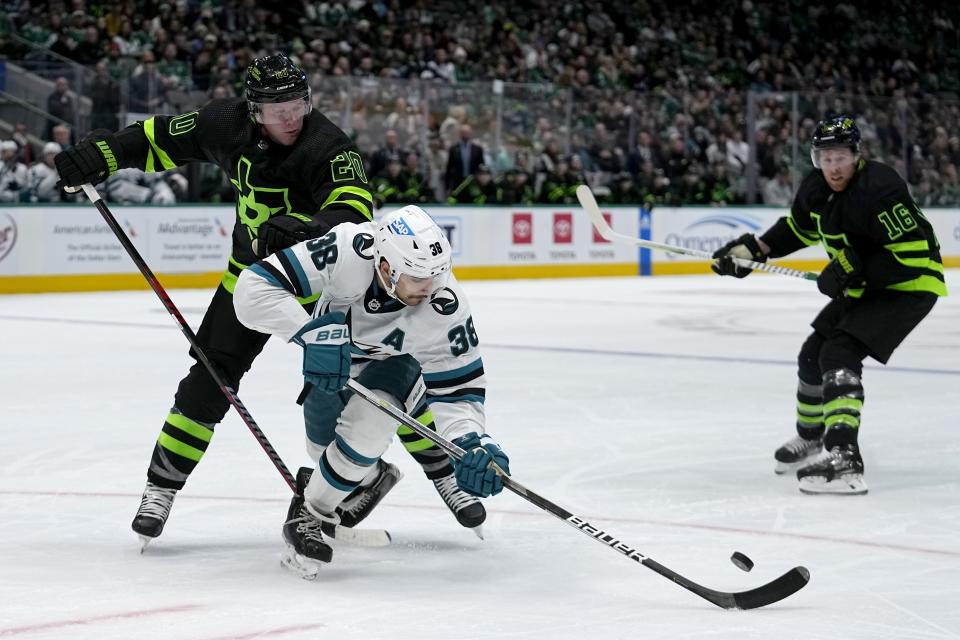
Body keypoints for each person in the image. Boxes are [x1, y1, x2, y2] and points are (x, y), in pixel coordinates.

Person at [54, 54, 470, 546]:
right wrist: (100, 154)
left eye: (298, 104)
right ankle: (159, 488)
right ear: (253, 110)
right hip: (251, 280)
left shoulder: (329, 146)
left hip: (329, 289)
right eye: (278, 109)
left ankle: (445, 475)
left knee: (384, 378)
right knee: (209, 379)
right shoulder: (223, 123)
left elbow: (354, 211)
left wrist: (304, 229)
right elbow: (160, 137)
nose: (291, 117)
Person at [233, 205, 510, 576]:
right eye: (417, 278)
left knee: (367, 428)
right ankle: (373, 478)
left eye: (437, 275)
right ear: (385, 267)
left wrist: (472, 442)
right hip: (335, 360)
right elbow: (253, 287)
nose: (431, 289)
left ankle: (309, 514)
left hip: (396, 365)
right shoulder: (348, 248)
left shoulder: (446, 307)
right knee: (321, 452)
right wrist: (311, 334)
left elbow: (459, 389)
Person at [711, 116, 947, 495]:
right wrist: (753, 250)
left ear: (856, 155)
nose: (833, 167)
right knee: (812, 354)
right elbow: (797, 228)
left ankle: (844, 455)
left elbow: (914, 255)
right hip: (867, 286)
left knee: (840, 351)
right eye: (825, 158)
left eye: (840, 157)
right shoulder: (816, 188)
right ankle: (812, 437)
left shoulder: (881, 187)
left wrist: (854, 266)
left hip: (908, 286)